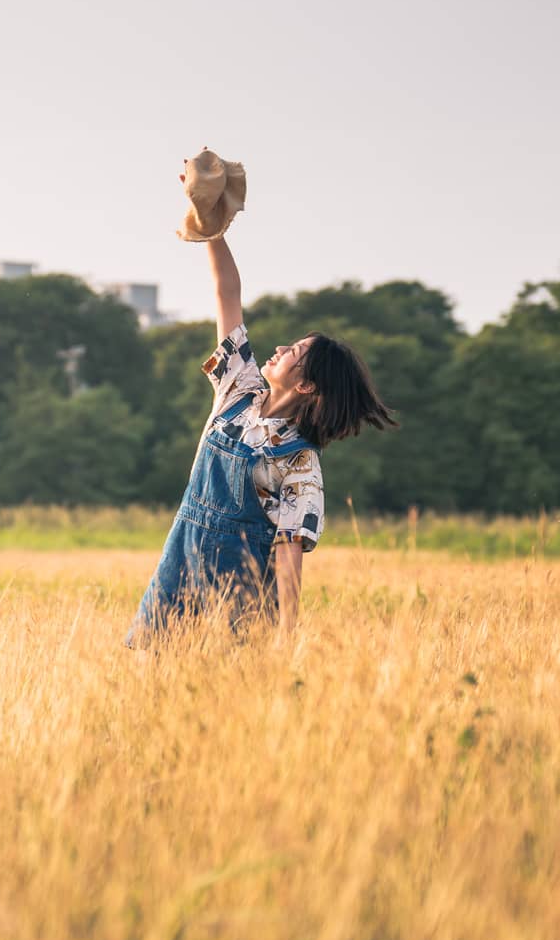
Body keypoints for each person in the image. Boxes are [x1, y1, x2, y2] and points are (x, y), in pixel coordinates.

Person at [125, 204, 397, 648]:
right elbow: (226, 295)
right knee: (147, 676)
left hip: (242, 598)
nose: (280, 347)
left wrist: (285, 635)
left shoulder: (300, 462)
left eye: (295, 351)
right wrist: (211, 228)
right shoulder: (238, 391)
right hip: (179, 564)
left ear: (307, 384)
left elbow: (290, 554)